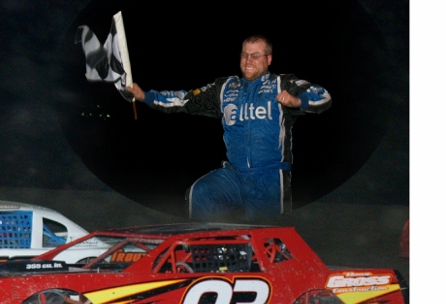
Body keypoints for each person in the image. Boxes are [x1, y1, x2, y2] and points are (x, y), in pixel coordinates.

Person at [127, 35, 331, 220]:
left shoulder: (282, 83)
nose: (248, 60)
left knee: (268, 236)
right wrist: (146, 96)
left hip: (269, 179)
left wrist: (298, 101)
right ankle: (209, 244)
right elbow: (185, 100)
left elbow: (323, 96)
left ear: (268, 59)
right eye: (244, 55)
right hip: (234, 174)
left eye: (255, 55)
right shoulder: (225, 88)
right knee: (201, 192)